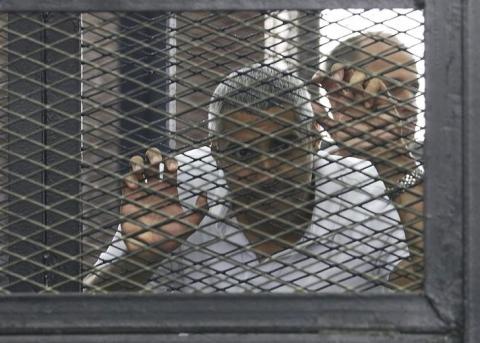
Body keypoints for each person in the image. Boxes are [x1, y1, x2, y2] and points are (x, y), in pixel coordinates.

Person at [84, 64, 408, 293]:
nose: (267, 167)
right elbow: (82, 319)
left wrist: (399, 166)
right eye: (243, 153)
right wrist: (141, 259)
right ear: (216, 153)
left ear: (314, 139)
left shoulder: (364, 187)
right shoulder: (178, 186)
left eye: (283, 144)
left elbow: (436, 294)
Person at [312, 32, 424, 290]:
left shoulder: (440, 188)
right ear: (343, 85)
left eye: (413, 89)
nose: (411, 104)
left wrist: (394, 160)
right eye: (392, 87)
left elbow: (439, 285)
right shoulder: (300, 176)